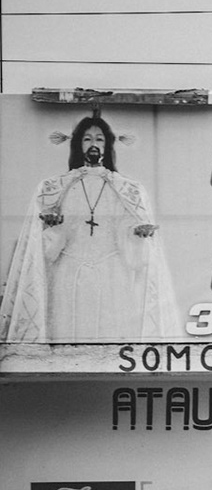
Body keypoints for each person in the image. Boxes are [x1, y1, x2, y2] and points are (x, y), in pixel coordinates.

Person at [0, 114, 179, 342]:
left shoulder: (128, 189)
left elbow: (132, 245)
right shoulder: (54, 187)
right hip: (67, 272)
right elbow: (42, 251)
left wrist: (137, 234)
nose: (94, 145)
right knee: (66, 333)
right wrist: (52, 227)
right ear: (78, 144)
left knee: (111, 336)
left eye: (99, 139)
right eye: (87, 139)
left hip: (112, 274)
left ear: (108, 144)